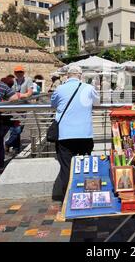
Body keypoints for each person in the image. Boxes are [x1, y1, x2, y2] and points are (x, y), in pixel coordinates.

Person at [51, 65, 99, 201]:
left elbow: (53, 104)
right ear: (80, 75)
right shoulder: (88, 88)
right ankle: (86, 196)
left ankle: (68, 199)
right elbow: (97, 102)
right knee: (86, 165)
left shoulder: (59, 89)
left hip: (65, 135)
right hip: (85, 134)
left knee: (66, 168)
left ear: (67, 75)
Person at [5, 66, 33, 154]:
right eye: (17, 72)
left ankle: (8, 143)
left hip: (23, 107)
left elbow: (29, 93)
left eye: (21, 72)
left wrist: (19, 95)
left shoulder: (28, 80)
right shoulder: (12, 81)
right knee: (14, 128)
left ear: (23, 73)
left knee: (19, 128)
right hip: (13, 107)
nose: (19, 73)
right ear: (15, 73)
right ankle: (16, 148)